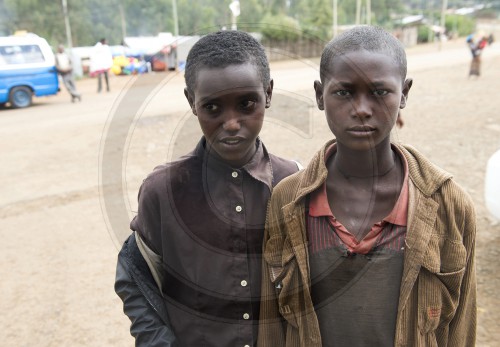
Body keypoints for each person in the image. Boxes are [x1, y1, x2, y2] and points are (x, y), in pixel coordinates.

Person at [258, 26, 476, 347]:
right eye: (344, 92)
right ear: (320, 95)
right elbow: (272, 326)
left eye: (379, 92)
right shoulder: (288, 200)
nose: (361, 109)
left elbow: (462, 328)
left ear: (404, 93)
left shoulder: (450, 205)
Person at [114, 30, 300, 346]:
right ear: (192, 102)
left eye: (246, 103)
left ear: (268, 94)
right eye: (213, 108)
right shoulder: (163, 191)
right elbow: (135, 278)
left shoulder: (293, 182)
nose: (230, 123)